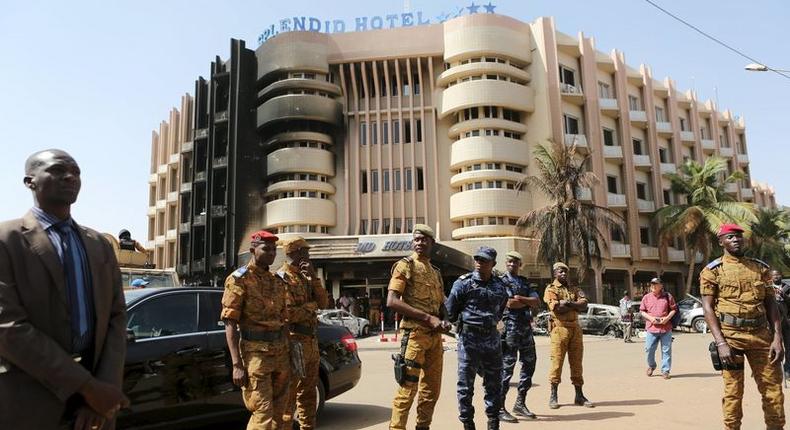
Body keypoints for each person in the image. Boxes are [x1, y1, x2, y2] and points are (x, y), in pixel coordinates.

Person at [0, 149, 129, 430]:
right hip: (29, 401)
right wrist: (87, 387)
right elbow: (7, 327)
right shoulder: (5, 240)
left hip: (93, 411)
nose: (70, 177)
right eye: (58, 170)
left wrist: (101, 392)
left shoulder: (99, 244)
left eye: (76, 172)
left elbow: (116, 318)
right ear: (29, 181)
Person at [700, 223, 785, 430]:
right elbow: (708, 308)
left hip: (761, 337)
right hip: (731, 339)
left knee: (773, 391)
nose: (736, 239)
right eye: (730, 237)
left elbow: (771, 304)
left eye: (739, 236)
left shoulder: (760, 268)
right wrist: (721, 343)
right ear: (721, 242)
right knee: (733, 393)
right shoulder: (712, 271)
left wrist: (777, 338)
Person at [221, 230, 291, 430]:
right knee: (263, 414)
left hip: (281, 352)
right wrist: (237, 364)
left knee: (281, 412)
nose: (271, 253)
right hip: (256, 355)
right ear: (253, 249)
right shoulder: (239, 279)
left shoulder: (277, 281)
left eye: (273, 250)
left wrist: (291, 351)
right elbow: (230, 323)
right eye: (266, 249)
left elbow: (283, 320)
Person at [387, 224, 451, 430]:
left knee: (431, 391)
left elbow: (441, 304)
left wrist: (445, 319)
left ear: (432, 243)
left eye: (424, 239)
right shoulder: (405, 265)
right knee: (407, 390)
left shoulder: (435, 271)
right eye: (416, 239)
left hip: (434, 338)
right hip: (414, 335)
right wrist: (427, 318)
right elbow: (392, 301)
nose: (420, 242)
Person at [446, 247, 509, 430]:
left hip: (492, 338)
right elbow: (451, 311)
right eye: (478, 259)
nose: (480, 263)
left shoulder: (499, 285)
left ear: (493, 264)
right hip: (469, 339)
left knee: (494, 383)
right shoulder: (463, 283)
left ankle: (493, 422)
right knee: (465, 385)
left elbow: (501, 307)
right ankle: (467, 423)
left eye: (485, 260)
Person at [278, 237, 329, 430]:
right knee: (290, 396)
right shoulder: (282, 278)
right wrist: (312, 306)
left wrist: (314, 278)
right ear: (295, 253)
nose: (308, 255)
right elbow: (289, 314)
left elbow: (324, 303)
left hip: (310, 342)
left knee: (309, 395)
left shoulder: (306, 276)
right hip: (295, 343)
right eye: (305, 252)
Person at [497, 251, 541, 423]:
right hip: (510, 329)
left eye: (516, 262)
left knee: (530, 364)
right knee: (507, 367)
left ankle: (520, 403)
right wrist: (525, 301)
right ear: (506, 263)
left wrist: (520, 298)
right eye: (510, 261)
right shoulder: (502, 282)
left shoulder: (524, 281)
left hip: (525, 328)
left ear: (520, 264)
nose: (513, 264)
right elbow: (510, 303)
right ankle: (499, 407)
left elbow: (536, 301)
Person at [543, 262, 593, 409]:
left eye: (565, 271)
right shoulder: (551, 289)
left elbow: (584, 304)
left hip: (575, 329)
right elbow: (558, 309)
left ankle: (579, 395)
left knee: (577, 363)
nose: (563, 274)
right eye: (560, 271)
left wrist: (569, 303)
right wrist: (574, 304)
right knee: (557, 363)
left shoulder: (574, 288)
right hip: (559, 329)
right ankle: (553, 395)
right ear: (555, 273)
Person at [639, 278, 677, 379]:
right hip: (652, 328)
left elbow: (674, 309)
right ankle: (652, 366)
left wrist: (667, 318)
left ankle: (665, 371)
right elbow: (642, 311)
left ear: (661, 286)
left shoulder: (668, 297)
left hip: (666, 328)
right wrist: (651, 318)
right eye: (652, 284)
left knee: (666, 350)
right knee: (649, 349)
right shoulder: (646, 297)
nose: (653, 286)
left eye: (656, 284)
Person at [769, 270, 790, 379]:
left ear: (781, 275)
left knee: (788, 347)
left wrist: (784, 295)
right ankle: (773, 369)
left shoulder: (787, 287)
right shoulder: (768, 288)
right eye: (773, 275)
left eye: (777, 274)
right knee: (774, 346)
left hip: (786, 321)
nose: (776, 276)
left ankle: (788, 370)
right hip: (773, 323)